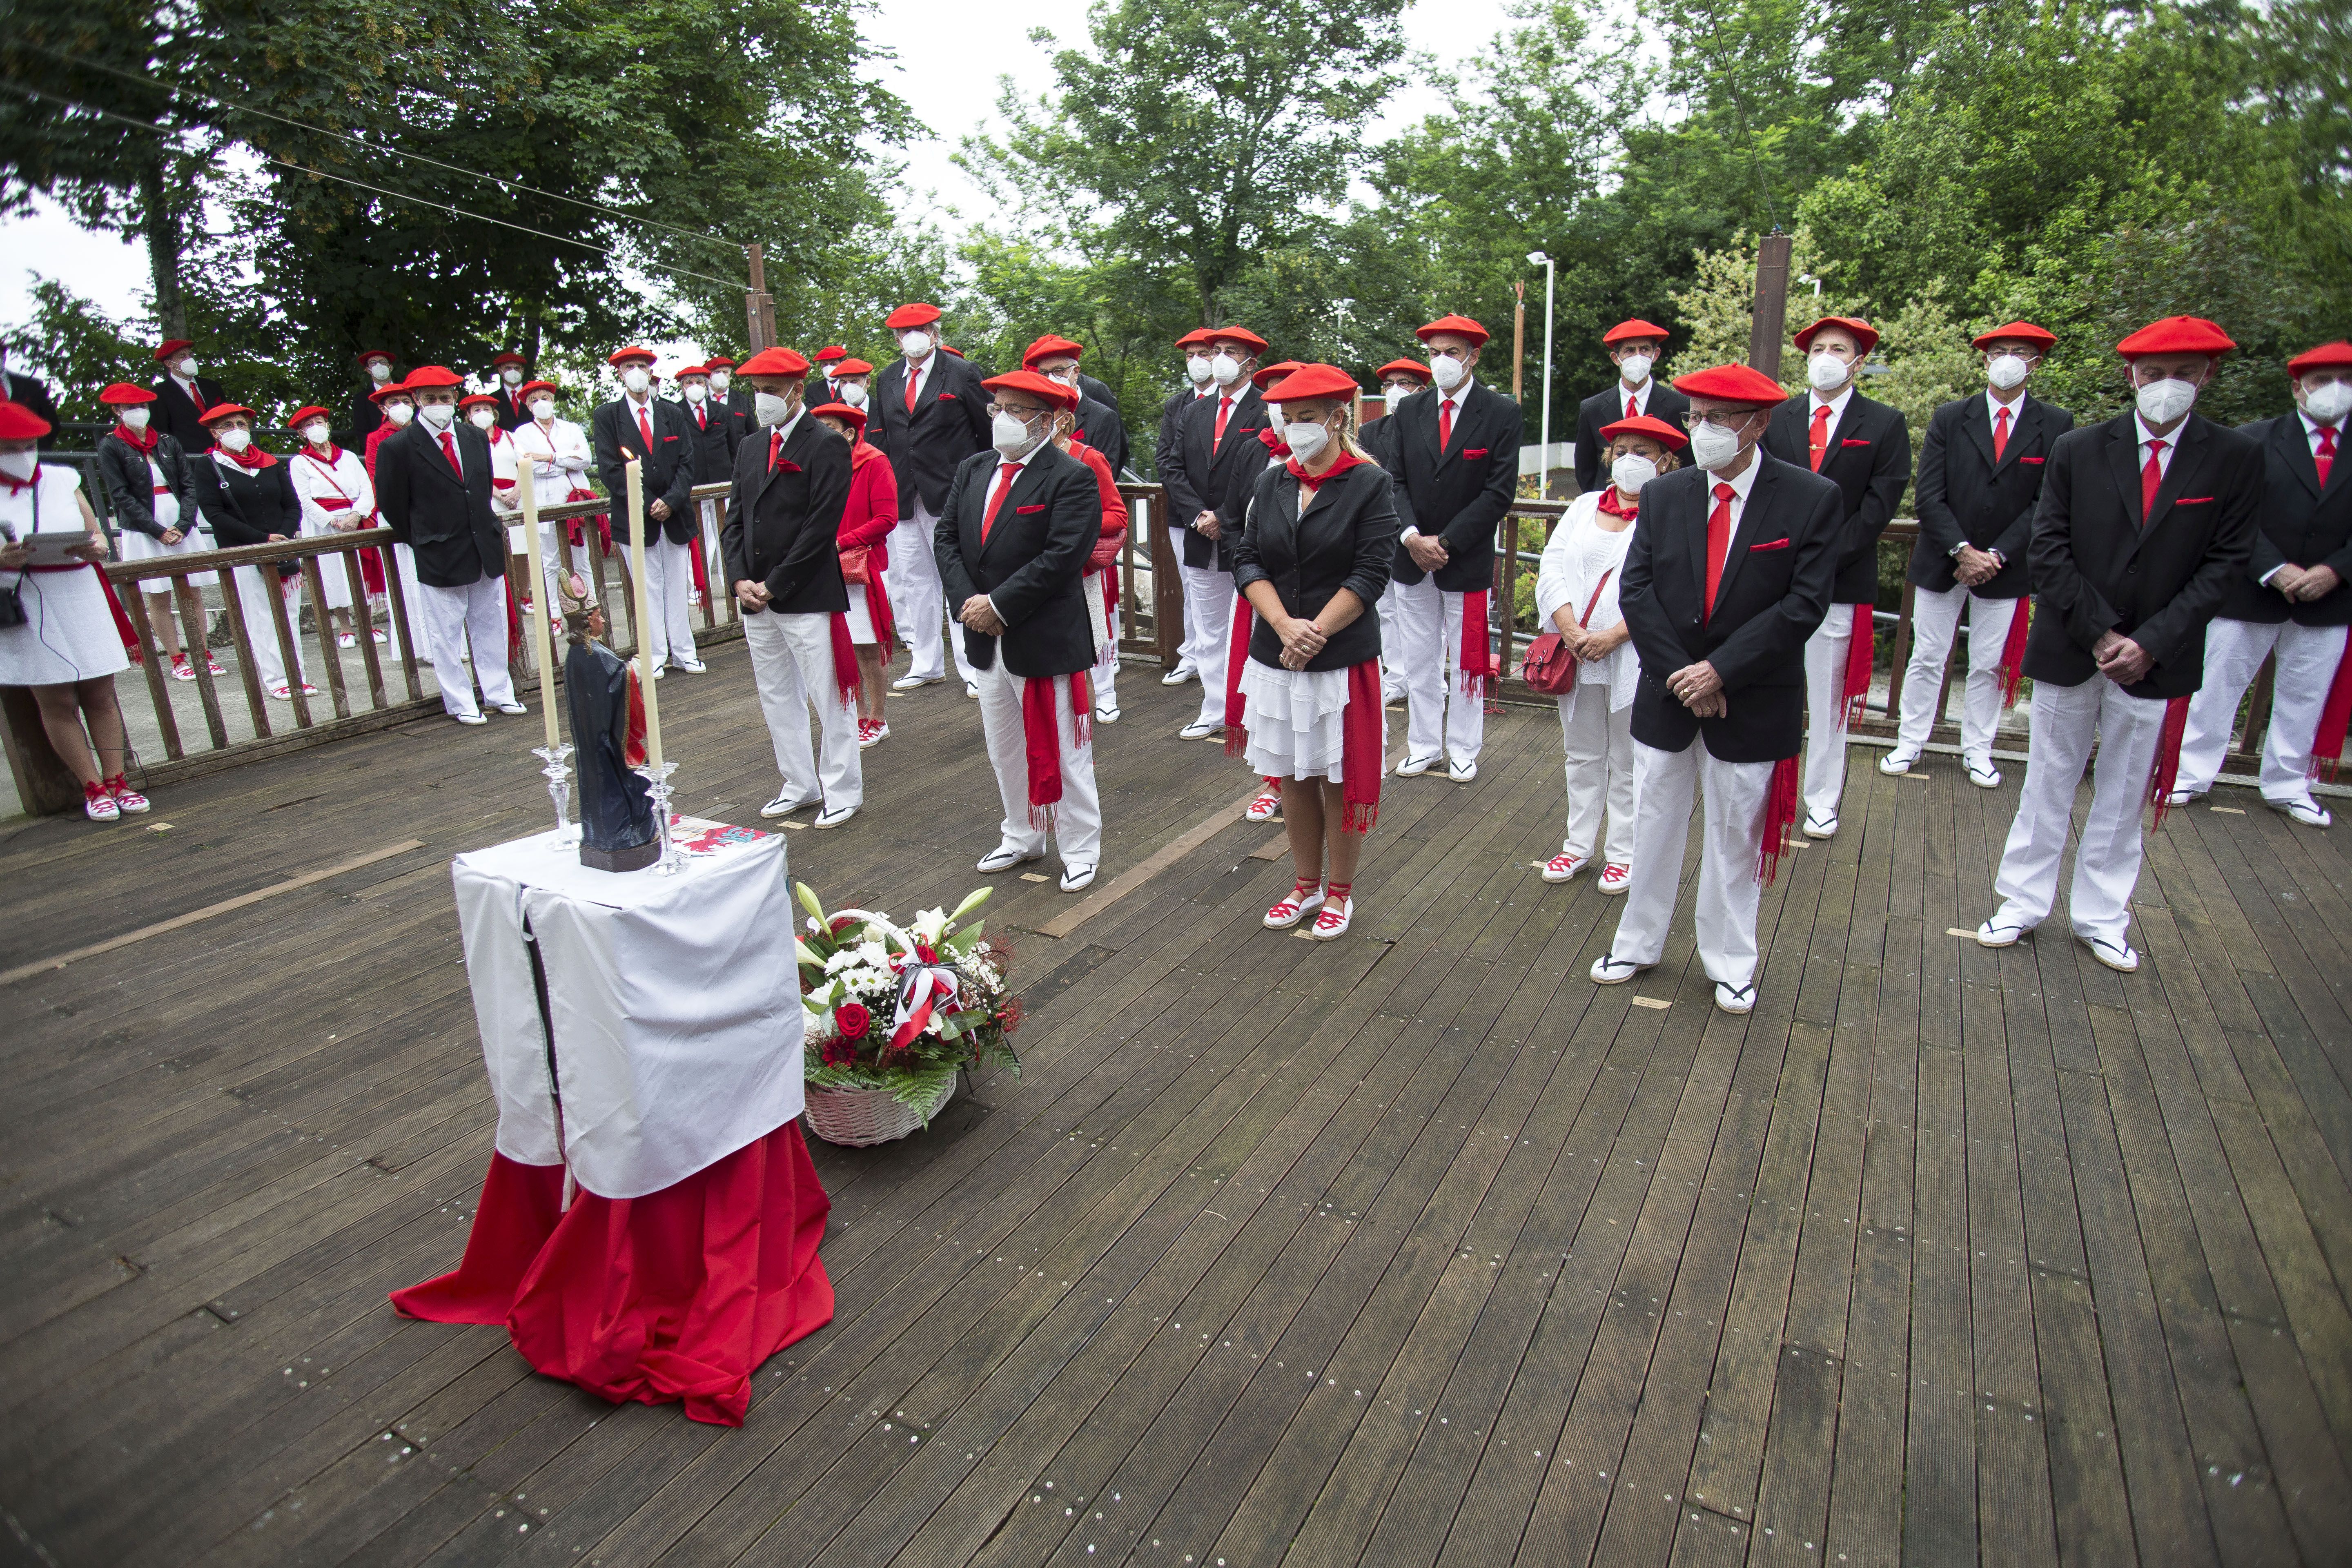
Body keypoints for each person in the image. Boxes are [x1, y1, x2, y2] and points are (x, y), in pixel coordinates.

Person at [1976, 316, 2263, 972]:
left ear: (2207, 376)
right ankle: (2021, 901)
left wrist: (2151, 642)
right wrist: (2101, 630)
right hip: (2074, 642)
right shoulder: (2079, 448)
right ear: (2131, 375)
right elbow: (2048, 548)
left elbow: (2226, 563)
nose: (2168, 386)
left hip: (2157, 658)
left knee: (2126, 787)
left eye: (2184, 374)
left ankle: (2102, 915)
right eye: (2155, 373)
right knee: (2048, 778)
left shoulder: (2235, 458)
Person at [1591, 365, 1844, 1014]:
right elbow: (1638, 590)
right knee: (1652, 823)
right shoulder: (1668, 495)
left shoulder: (1810, 498)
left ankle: (1730, 961)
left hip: (1752, 696)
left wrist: (1721, 670)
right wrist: (1686, 674)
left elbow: (1803, 604)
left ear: (1758, 424)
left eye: (1716, 419)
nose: (1701, 430)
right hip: (1669, 693)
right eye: (1694, 417)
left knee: (1735, 832)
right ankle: (1636, 942)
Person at [1230, 364, 1400, 939]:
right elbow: (1248, 558)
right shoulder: (1271, 481)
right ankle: (1305, 884)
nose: (1298, 428)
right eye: (1290, 419)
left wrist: (1315, 632)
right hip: (1277, 652)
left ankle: (1341, 891)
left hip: (1339, 657)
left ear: (1338, 418)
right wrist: (1282, 624)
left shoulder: (1370, 483)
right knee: (1293, 774)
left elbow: (1372, 571)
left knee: (1335, 775)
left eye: (1309, 418)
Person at [933, 369, 1105, 891]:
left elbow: (1062, 557)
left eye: (1016, 410)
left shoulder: (1070, 476)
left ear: (1047, 420)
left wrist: (1000, 604)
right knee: (1004, 747)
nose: (1002, 420)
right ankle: (1023, 835)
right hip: (985, 638)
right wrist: (971, 602)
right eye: (997, 409)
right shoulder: (974, 469)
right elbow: (946, 539)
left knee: (1065, 750)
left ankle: (1080, 847)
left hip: (1044, 637)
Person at [2167, 342, 2352, 823]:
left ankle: (2289, 785)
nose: (2334, 392)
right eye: (2321, 381)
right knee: (2218, 686)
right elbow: (2230, 516)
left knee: (2306, 693)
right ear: (2298, 388)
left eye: (2346, 381)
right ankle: (2188, 774)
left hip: (2332, 596)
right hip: (2250, 590)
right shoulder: (2253, 441)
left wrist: (2336, 569)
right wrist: (2274, 567)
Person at [1884, 321, 2072, 788]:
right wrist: (1963, 550)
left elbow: (2046, 502)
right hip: (1942, 560)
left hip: (2006, 568)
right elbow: (1928, 495)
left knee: (1989, 663)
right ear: (1985, 359)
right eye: (1999, 350)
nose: (2008, 358)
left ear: (2036, 362)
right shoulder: (1951, 416)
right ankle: (1910, 742)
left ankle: (1979, 750)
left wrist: (1997, 555)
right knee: (1927, 655)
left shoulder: (2056, 424)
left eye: (2020, 351)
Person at [1759, 315, 1910, 840]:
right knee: (1768, 685)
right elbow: (1765, 492)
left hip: (1842, 582)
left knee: (1828, 698)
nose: (1826, 355)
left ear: (1858, 360)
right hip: (1773, 577)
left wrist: (1819, 558)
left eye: (1838, 348)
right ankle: (1762, 787)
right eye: (1818, 347)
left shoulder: (1885, 424)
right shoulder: (1778, 417)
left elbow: (1878, 507)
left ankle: (1821, 798)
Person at [1536, 414, 1687, 891]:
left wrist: (1615, 637)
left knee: (1628, 758)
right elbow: (1552, 567)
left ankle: (1623, 852)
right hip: (1577, 650)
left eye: (1642, 452)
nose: (1629, 460)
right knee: (1581, 752)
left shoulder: (1672, 515)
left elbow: (1669, 589)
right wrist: (1571, 629)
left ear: (1666, 461)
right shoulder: (1582, 507)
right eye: (1622, 450)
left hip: (1633, 656)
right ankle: (1577, 845)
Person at [723, 348, 859, 826]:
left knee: (828, 694)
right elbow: (735, 518)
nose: (762, 400)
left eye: (771, 391)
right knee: (777, 693)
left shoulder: (825, 444)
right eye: (757, 390)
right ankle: (799, 783)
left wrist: (775, 584)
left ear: (797, 390)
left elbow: (821, 526)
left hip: (803, 591)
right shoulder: (750, 446)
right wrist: (739, 577)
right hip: (755, 597)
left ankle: (841, 789)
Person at [1387, 313, 1524, 782]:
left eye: (1452, 352)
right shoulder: (1410, 410)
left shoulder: (1502, 412)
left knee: (1466, 660)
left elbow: (1498, 493)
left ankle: (1465, 747)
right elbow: (1394, 480)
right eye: (1435, 353)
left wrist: (1444, 542)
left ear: (1474, 355)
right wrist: (1411, 537)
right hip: (1410, 557)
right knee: (1420, 657)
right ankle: (1423, 744)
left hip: (1464, 559)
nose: (1442, 361)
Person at [0, 401, 151, 820]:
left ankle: (118, 778)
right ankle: (92, 786)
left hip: (79, 587)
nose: (22, 453)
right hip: (26, 596)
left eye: (28, 444)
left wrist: (97, 546)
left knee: (101, 693)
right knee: (57, 698)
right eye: (10, 446)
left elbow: (98, 535)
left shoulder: (61, 479)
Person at [375, 365, 526, 725]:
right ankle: (460, 702)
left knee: (490, 622)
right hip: (437, 549)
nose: (439, 405)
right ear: (417, 401)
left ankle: (498, 692)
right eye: (431, 399)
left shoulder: (474, 437)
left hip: (482, 544)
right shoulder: (397, 447)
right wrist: (424, 538)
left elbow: (482, 483)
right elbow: (393, 503)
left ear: (455, 399)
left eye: (445, 398)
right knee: (445, 632)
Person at [870, 302, 995, 696]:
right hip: (906, 498)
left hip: (953, 497)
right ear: (895, 339)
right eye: (904, 331)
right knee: (915, 581)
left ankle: (973, 665)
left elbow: (987, 435)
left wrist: (980, 487)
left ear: (936, 333)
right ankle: (926, 663)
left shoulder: (962, 373)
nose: (913, 337)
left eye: (921, 329)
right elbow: (881, 437)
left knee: (957, 577)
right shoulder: (888, 379)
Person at [1158, 325, 1272, 740]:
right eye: (1216, 350)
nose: (1219, 358)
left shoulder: (1265, 409)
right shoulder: (1195, 410)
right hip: (1199, 534)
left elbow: (1263, 473)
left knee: (1252, 626)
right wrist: (1197, 515)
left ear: (1250, 363)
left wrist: (1223, 517)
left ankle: (1254, 710)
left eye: (1230, 351)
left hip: (1243, 536)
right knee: (1208, 630)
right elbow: (1172, 465)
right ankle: (1215, 709)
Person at [190, 403, 317, 702]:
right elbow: (214, 513)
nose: (237, 430)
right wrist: (261, 539)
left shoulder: (270, 462)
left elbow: (292, 504)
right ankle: (276, 679)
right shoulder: (209, 465)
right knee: (261, 616)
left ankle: (297, 676)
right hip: (243, 552)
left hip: (282, 551)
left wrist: (283, 536)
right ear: (215, 433)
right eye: (228, 426)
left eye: (241, 424)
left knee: (289, 615)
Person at [95, 381, 219, 680]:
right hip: (144, 526)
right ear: (118, 411)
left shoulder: (167, 441)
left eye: (143, 406)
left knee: (193, 592)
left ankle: (203, 653)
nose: (139, 412)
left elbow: (188, 484)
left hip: (178, 518)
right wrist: (157, 530)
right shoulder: (111, 445)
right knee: (159, 593)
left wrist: (184, 523)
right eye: (131, 407)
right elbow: (120, 494)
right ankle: (177, 659)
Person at [591, 346, 703, 675]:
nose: (637, 371)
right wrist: (647, 501)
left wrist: (671, 500)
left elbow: (687, 463)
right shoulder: (608, 416)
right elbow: (611, 469)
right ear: (620, 374)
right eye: (630, 367)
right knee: (647, 587)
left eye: (642, 366)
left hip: (675, 515)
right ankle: (654, 654)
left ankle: (684, 651)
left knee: (676, 586)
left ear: (652, 372)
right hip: (635, 518)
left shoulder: (672, 413)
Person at [811, 399, 900, 748]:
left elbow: (887, 519)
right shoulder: (816, 464)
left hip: (861, 566)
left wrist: (841, 542)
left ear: (849, 433)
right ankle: (857, 716)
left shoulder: (874, 462)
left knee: (866, 646)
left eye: (828, 429)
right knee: (840, 647)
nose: (820, 436)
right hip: (823, 566)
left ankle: (878, 718)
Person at [1055, 397, 1131, 726]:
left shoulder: (1088, 457)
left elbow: (1117, 515)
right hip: (1041, 570)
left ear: (1061, 418)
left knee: (1095, 632)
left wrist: (1072, 526)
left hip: (1082, 568)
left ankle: (1105, 695)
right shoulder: (1015, 462)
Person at [286, 402, 383, 650]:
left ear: (328, 426)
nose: (316, 428)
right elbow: (304, 499)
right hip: (324, 524)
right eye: (309, 425)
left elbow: (366, 488)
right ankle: (345, 628)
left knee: (361, 571)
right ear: (302, 433)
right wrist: (333, 521)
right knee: (333, 574)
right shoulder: (300, 462)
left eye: (320, 422)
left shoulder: (349, 457)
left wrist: (357, 515)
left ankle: (367, 624)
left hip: (355, 520)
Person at [1155, 327, 1222, 683]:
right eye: (1189, 356)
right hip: (1185, 516)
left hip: (1230, 515)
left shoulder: (1247, 405)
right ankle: (1191, 654)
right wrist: (1194, 509)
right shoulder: (1177, 405)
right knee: (1191, 587)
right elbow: (1166, 460)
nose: (1197, 361)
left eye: (1205, 353)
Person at [1361, 359, 1430, 702]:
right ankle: (1398, 676)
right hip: (1379, 531)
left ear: (1422, 388)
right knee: (1387, 608)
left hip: (1418, 532)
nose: (1395, 390)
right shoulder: (1370, 432)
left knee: (1426, 616)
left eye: (1404, 383)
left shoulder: (1428, 428)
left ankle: (1429, 680)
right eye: (1389, 384)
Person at [509, 379, 597, 621]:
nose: (541, 403)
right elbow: (528, 467)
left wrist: (547, 457)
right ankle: (555, 616)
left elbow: (586, 459)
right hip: (544, 504)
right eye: (534, 400)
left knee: (582, 558)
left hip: (574, 500)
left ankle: (590, 611)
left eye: (545, 398)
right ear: (528, 406)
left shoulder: (571, 428)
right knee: (550, 562)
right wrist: (565, 461)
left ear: (553, 400)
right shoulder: (522, 433)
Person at [1573, 319, 1690, 495]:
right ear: (1616, 358)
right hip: (1609, 504)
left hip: (1663, 502)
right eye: (1629, 351)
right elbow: (1585, 468)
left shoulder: (1679, 405)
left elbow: (1687, 464)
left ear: (1655, 355)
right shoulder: (1592, 408)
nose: (1638, 356)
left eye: (1644, 350)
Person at [362, 378, 431, 662]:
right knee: (405, 580)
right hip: (397, 513)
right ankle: (415, 646)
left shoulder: (424, 432)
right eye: (393, 403)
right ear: (383, 408)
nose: (401, 407)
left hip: (430, 512)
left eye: (405, 401)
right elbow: (380, 477)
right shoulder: (377, 438)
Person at [675, 362, 739, 608]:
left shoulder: (722, 412)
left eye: (699, 382)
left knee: (729, 534)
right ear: (682, 387)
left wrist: (735, 478)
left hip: (724, 485)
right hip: (694, 488)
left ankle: (731, 580)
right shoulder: (676, 413)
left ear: (707, 384)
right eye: (689, 383)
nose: (695, 387)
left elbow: (735, 448)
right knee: (699, 539)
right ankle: (697, 588)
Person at [1025, 334, 1131, 479]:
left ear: (1076, 372)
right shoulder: (1035, 414)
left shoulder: (1103, 417)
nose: (1050, 379)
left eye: (1058, 371)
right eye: (1044, 373)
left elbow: (1104, 477)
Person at [149, 340, 228, 453]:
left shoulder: (212, 387)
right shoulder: (159, 394)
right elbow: (160, 432)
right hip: (188, 458)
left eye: (190, 355)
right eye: (183, 356)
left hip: (222, 454)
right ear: (169, 364)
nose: (189, 359)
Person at [0, 344, 62, 443]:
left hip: (27, 454)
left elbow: (52, 424)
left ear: (4, 356)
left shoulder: (32, 386)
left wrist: (34, 453)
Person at [350, 351, 399, 446]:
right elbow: (362, 432)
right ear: (368, 370)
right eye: (373, 363)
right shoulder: (362, 399)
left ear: (391, 368)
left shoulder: (406, 392)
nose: (379, 365)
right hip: (379, 450)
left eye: (383, 362)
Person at [488, 352, 532, 430]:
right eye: (508, 368)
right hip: (504, 441)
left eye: (517, 368)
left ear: (523, 371)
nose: (513, 371)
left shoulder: (533, 394)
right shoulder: (492, 399)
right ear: (500, 371)